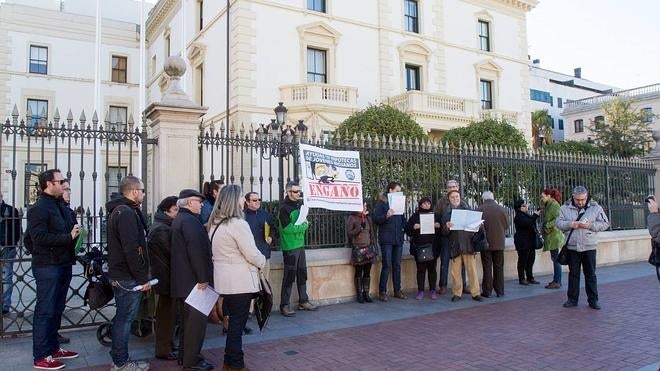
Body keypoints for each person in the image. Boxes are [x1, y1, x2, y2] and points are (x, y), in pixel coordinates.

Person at [27, 169, 80, 370]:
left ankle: (53, 348)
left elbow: (70, 232)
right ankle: (41, 355)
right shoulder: (38, 209)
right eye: (60, 181)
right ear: (49, 184)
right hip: (47, 267)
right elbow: (36, 238)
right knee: (45, 311)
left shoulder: (60, 207)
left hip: (63, 263)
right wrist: (68, 238)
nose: (64, 185)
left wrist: (75, 234)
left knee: (57, 309)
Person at [209, 185, 265, 371]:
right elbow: (252, 253)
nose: (243, 200)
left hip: (224, 281)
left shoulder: (215, 224)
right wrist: (262, 260)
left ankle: (229, 362)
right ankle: (235, 364)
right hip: (240, 282)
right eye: (242, 196)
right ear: (235, 199)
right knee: (237, 326)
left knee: (233, 324)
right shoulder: (238, 224)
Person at [106, 176, 152, 371]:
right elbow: (131, 249)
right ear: (133, 191)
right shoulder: (125, 212)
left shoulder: (123, 210)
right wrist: (143, 279)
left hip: (123, 274)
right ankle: (121, 362)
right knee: (125, 319)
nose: (143, 193)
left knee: (122, 317)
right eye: (142, 190)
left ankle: (118, 356)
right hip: (126, 276)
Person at [170, 189, 214, 371]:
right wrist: (203, 278)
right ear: (189, 203)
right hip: (194, 283)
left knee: (187, 324)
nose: (201, 204)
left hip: (183, 281)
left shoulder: (180, 219)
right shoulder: (190, 222)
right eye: (198, 201)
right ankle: (192, 361)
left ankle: (185, 357)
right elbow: (197, 253)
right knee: (195, 325)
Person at [556, 186, 609, 310]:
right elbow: (558, 223)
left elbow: (605, 224)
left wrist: (590, 226)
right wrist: (570, 224)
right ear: (573, 197)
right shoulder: (565, 208)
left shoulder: (596, 208)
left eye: (583, 199)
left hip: (589, 246)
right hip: (572, 247)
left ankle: (593, 300)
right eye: (577, 199)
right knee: (573, 274)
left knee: (590, 274)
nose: (580, 202)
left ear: (587, 196)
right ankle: (572, 299)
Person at [147, 196, 179, 361]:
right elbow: (171, 253)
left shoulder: (163, 225)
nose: (177, 213)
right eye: (175, 210)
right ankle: (163, 349)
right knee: (165, 316)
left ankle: (168, 344)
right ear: (166, 210)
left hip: (165, 277)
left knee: (169, 315)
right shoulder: (162, 229)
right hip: (164, 278)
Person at [278, 181, 316, 317]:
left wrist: (304, 224)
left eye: (299, 191)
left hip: (300, 245)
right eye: (295, 191)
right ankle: (284, 305)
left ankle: (303, 301)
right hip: (290, 247)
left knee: (302, 274)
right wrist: (304, 227)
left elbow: (303, 221)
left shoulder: (299, 205)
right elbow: (287, 229)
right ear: (288, 192)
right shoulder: (284, 208)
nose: (298, 193)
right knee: (289, 276)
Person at [441, 190, 482, 302]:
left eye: (457, 197)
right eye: (453, 197)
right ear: (449, 199)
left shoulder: (468, 210)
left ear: (460, 197)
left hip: (468, 244)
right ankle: (457, 293)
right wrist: (447, 227)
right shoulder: (446, 214)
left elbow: (476, 227)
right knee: (456, 272)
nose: (455, 199)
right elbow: (443, 233)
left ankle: (476, 293)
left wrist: (478, 224)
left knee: (472, 271)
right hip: (455, 246)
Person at [374, 182, 407, 301]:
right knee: (387, 264)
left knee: (397, 265)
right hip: (386, 239)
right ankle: (382, 291)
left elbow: (403, 219)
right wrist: (386, 215)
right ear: (390, 190)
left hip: (398, 238)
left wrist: (403, 228)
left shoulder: (399, 203)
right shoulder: (382, 203)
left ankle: (397, 290)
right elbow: (376, 219)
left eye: (400, 190)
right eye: (397, 190)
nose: (399, 192)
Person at [434, 180, 468, 295]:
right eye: (450, 187)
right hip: (446, 236)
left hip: (460, 237)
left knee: (462, 262)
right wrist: (441, 225)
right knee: (444, 261)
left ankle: (463, 285)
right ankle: (443, 286)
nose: (452, 188)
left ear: (458, 187)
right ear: (446, 189)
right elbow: (436, 216)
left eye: (454, 186)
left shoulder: (463, 202)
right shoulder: (441, 202)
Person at [405, 197, 441, 300]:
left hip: (433, 247)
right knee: (420, 270)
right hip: (419, 247)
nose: (426, 205)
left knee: (432, 270)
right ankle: (420, 291)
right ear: (420, 205)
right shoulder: (415, 216)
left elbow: (442, 232)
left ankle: (432, 290)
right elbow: (408, 230)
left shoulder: (435, 216)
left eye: (428, 204)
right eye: (424, 204)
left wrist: (438, 226)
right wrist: (414, 227)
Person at [478, 191, 509, 297]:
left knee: (487, 267)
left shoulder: (480, 209)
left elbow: (476, 226)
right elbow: (507, 225)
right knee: (499, 267)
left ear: (483, 199)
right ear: (493, 197)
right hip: (499, 242)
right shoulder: (502, 209)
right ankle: (500, 291)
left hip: (485, 242)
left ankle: (487, 291)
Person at [346, 201, 376, 303]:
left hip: (368, 248)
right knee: (359, 272)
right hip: (358, 248)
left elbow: (371, 233)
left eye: (365, 206)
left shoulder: (368, 218)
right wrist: (359, 228)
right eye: (363, 206)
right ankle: (359, 294)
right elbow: (350, 234)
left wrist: (373, 244)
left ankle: (366, 293)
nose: (364, 208)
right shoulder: (352, 218)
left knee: (367, 272)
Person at [243, 192, 277, 280]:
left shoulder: (266, 214)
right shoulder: (242, 216)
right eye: (254, 200)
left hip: (264, 255)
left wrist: (271, 237)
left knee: (265, 284)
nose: (258, 202)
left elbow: (273, 228)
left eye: (259, 200)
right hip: (249, 257)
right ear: (247, 202)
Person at [1, 192, 22, 316]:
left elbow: (16, 230)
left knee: (7, 277)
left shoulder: (11, 210)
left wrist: (10, 244)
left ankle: (5, 305)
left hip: (7, 248)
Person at [540, 188, 565, 289]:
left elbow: (557, 219)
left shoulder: (554, 205)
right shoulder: (549, 205)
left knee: (556, 259)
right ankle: (556, 280)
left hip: (554, 236)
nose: (541, 198)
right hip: (551, 235)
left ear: (548, 196)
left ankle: (557, 281)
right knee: (554, 259)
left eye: (543, 196)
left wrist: (547, 225)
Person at [513, 199, 540, 285]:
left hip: (530, 241)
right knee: (522, 261)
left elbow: (532, 223)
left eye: (526, 205)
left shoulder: (526, 214)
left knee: (531, 260)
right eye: (524, 205)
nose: (526, 206)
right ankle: (521, 278)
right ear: (519, 208)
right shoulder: (518, 217)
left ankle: (530, 277)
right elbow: (528, 223)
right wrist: (535, 215)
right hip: (523, 242)